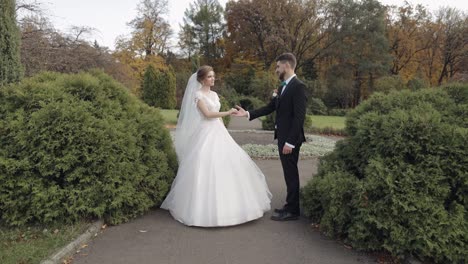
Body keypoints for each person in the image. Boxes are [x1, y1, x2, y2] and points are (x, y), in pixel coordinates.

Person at [160, 65, 272, 227]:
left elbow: (217, 118)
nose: (213, 79)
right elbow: (207, 115)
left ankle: (234, 208)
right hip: (205, 133)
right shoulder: (197, 95)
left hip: (218, 132)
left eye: (213, 76)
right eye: (209, 77)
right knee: (204, 165)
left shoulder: (214, 94)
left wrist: (224, 131)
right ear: (202, 79)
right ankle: (200, 211)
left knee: (228, 165)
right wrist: (227, 113)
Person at [232, 53, 307, 221]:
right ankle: (290, 206)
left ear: (287, 66)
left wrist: (290, 142)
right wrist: (248, 114)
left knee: (291, 173)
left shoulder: (298, 86)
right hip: (283, 137)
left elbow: (299, 117)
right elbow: (269, 107)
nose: (276, 70)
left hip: (290, 140)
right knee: (288, 173)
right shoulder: (282, 87)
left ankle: (293, 211)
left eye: (278, 66)